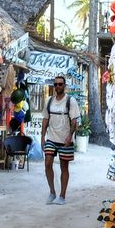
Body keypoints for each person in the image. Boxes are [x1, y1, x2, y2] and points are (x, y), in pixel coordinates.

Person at [42, 75, 81, 205]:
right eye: (56, 84)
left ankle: (62, 195)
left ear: (64, 86)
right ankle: (52, 192)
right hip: (51, 138)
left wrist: (70, 136)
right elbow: (45, 119)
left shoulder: (71, 101)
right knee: (47, 163)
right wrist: (42, 137)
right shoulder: (49, 101)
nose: (58, 86)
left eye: (60, 84)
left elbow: (74, 121)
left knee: (64, 167)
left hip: (65, 139)